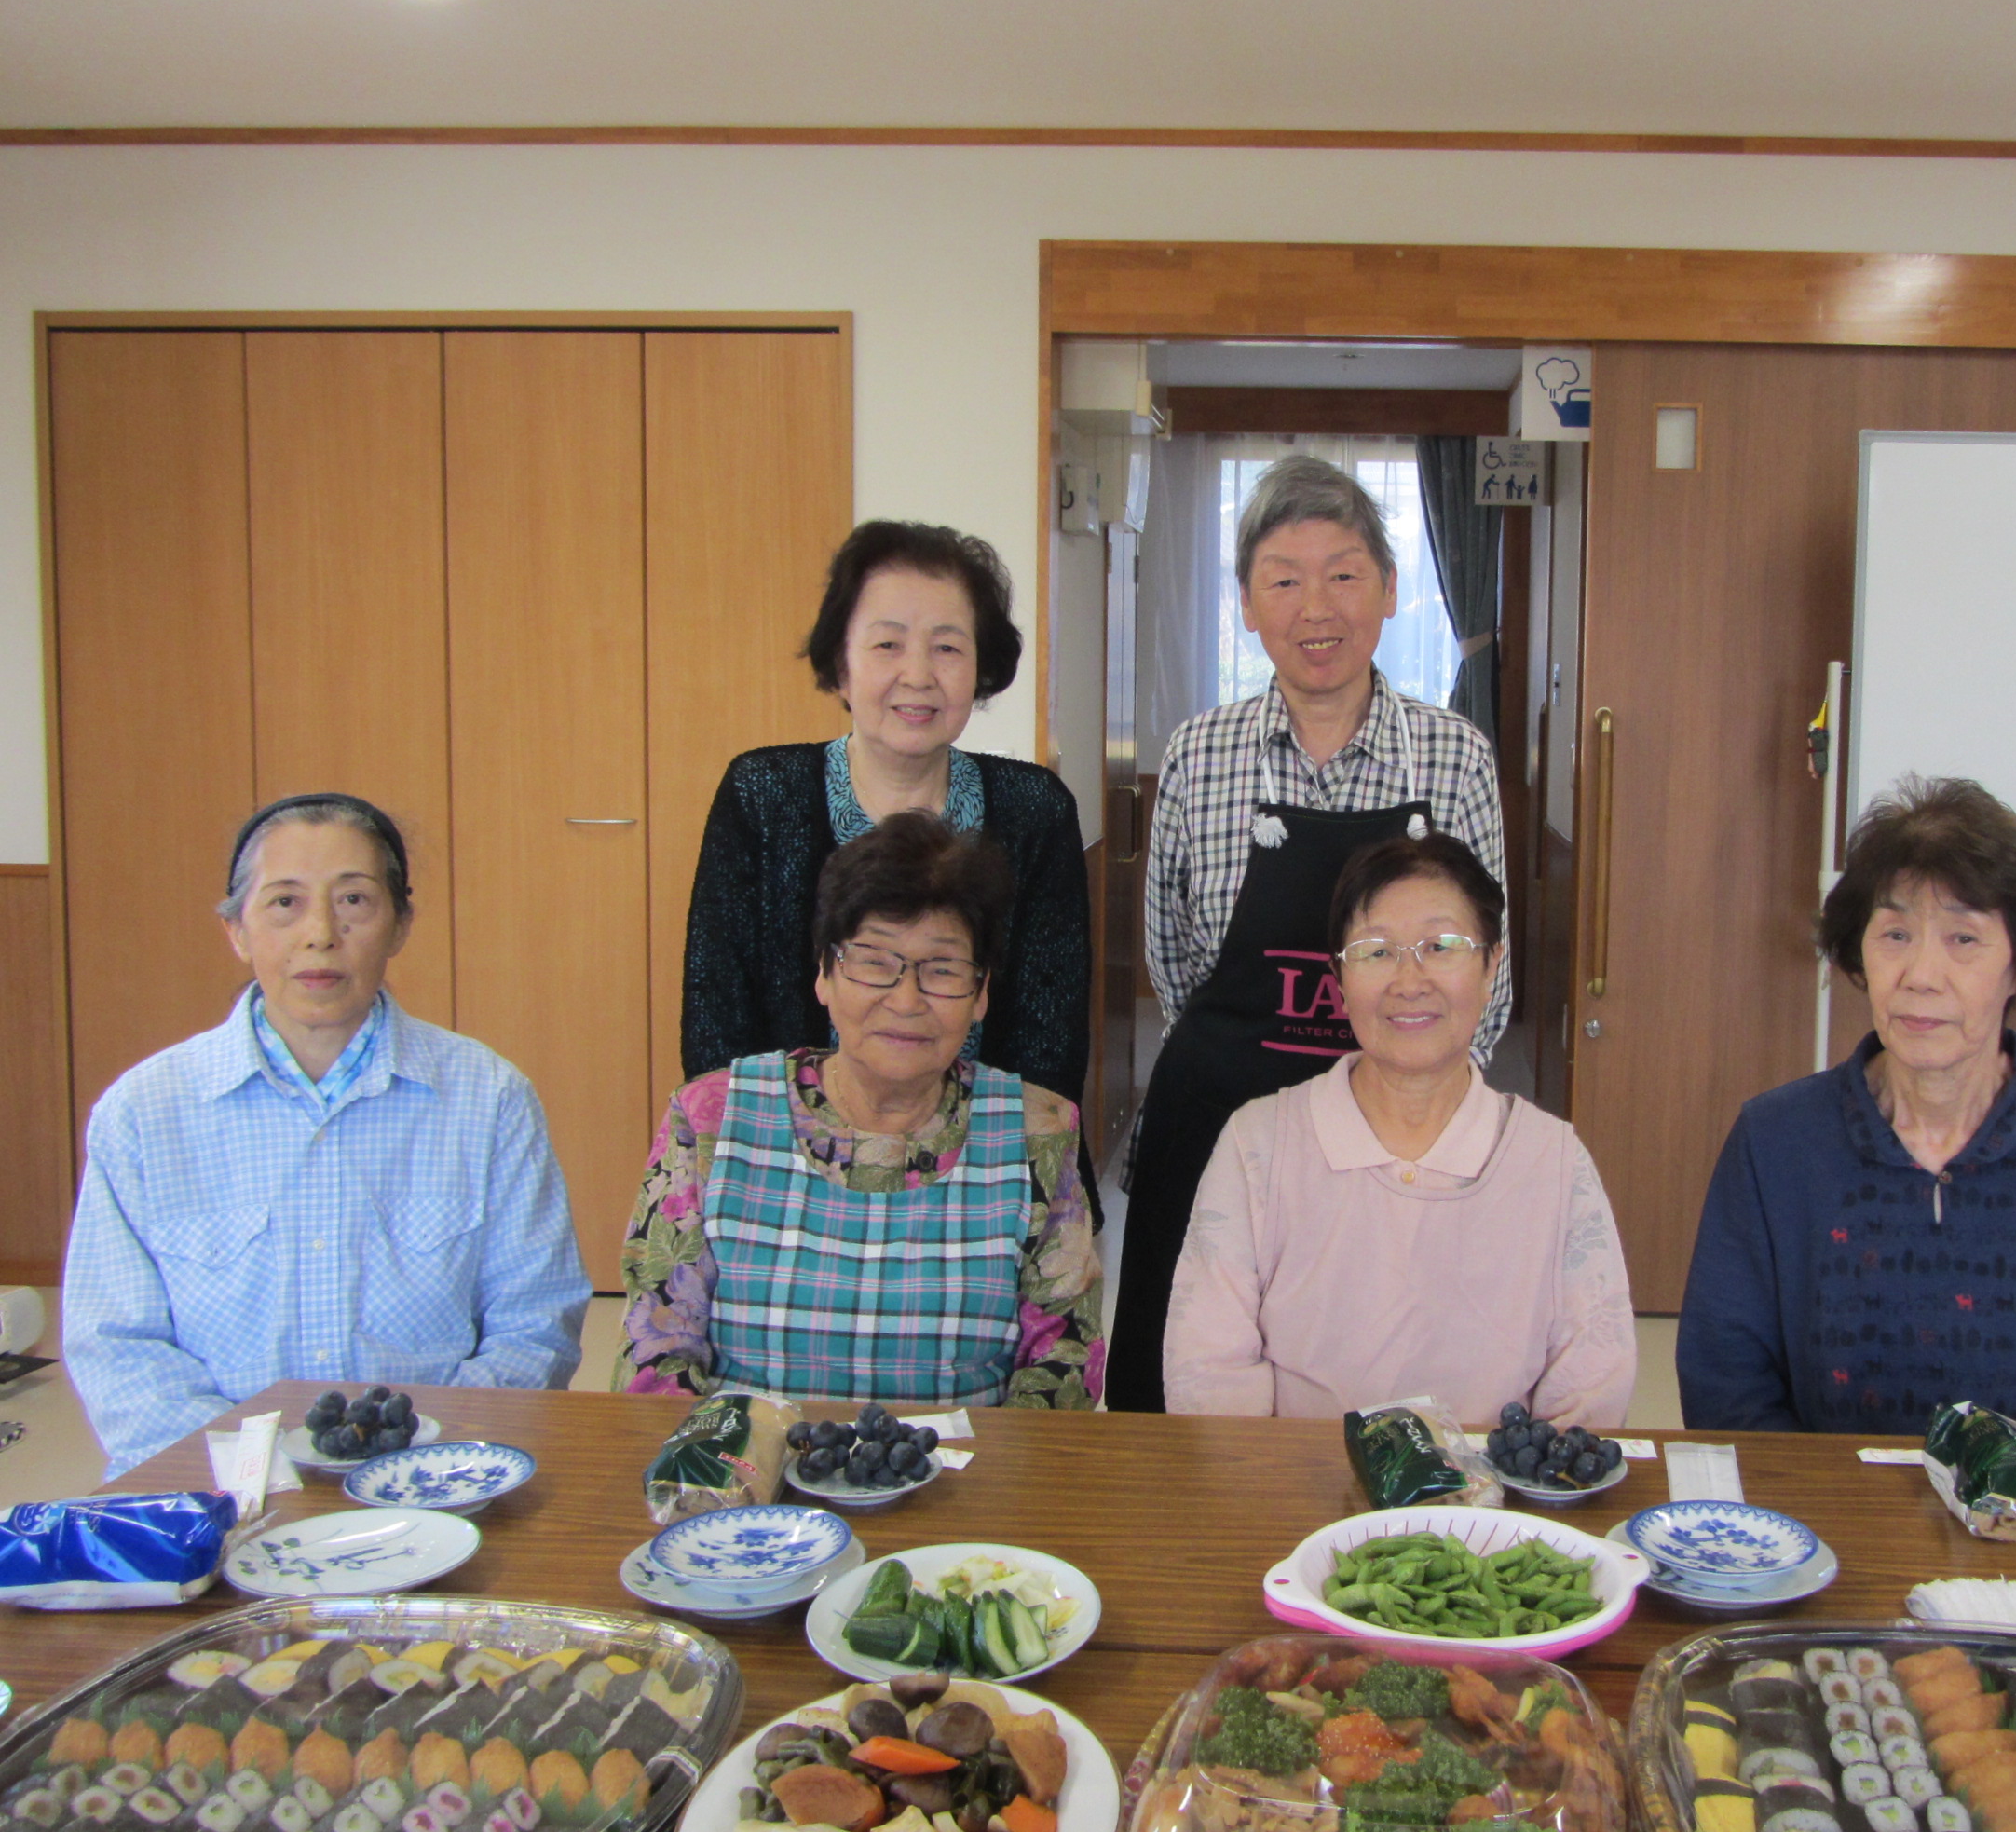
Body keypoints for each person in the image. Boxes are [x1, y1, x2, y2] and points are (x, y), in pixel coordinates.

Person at [1117, 454, 1510, 1411]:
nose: (1315, 608)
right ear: (1247, 605)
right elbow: (1176, 966)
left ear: (1389, 590)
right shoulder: (1198, 754)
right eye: (1283, 581)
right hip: (1218, 1120)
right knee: (1194, 1394)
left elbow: (1485, 980)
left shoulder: (1454, 755)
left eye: (1342, 574)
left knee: (1382, 1393)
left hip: (1397, 1125)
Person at [62, 795, 589, 1480]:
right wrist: (257, 1472)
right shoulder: (143, 1111)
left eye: (354, 901)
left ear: (400, 925)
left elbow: (536, 1324)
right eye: (284, 902)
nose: (320, 934)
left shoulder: (488, 1097)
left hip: (437, 1478)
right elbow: (116, 1345)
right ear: (236, 929)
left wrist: (421, 1460)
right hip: (217, 1486)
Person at [1676, 775, 2016, 1440]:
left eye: (1963, 939)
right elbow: (1725, 1389)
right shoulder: (1775, 1139)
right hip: (1819, 1502)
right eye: (1895, 935)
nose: (1920, 976)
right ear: (1858, 954)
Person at [618, 811, 1101, 1406]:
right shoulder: (710, 1117)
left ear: (980, 994)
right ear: (825, 973)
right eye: (875, 962)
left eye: (942, 970)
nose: (906, 1000)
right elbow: (657, 1348)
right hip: (745, 1459)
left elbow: (1063, 1359)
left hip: (972, 1461)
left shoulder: (1038, 1130)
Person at [1165, 834, 1632, 1426]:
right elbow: (1208, 1374)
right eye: (1376, 951)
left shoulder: (1553, 1161)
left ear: (1491, 965)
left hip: (1497, 1488)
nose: (1409, 981)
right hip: (1296, 1484)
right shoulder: (1257, 1144)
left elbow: (1590, 1391)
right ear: (1338, 979)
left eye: (1441, 946)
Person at [680, 520, 1088, 1109]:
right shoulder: (763, 794)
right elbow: (715, 1018)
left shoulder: (1034, 809)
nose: (918, 676)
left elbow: (1050, 1042)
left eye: (947, 648)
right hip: (780, 1150)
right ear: (841, 664)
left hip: (983, 1152)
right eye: (887, 645)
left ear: (980, 668)